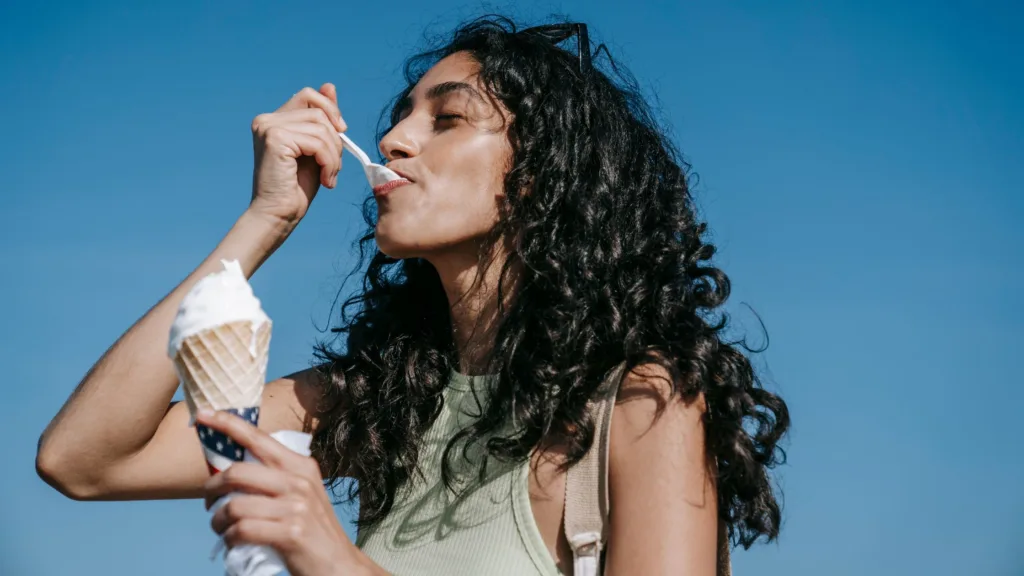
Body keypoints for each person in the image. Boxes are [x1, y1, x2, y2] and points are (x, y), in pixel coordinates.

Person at [36, 15, 789, 576]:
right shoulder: (379, 400)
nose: (394, 138)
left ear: (539, 175)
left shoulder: (640, 403)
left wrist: (337, 562)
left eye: (448, 118)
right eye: (403, 116)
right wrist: (263, 221)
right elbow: (86, 459)